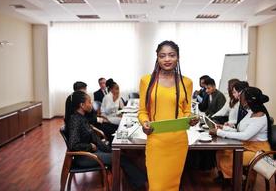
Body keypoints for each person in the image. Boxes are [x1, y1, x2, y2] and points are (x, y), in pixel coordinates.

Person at [138, 40, 194, 191]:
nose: (167, 59)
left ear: (178, 57)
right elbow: (142, 111)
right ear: (157, 58)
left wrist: (190, 119)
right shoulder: (146, 81)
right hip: (156, 141)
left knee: (173, 186)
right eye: (162, 56)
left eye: (171, 55)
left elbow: (187, 109)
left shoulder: (186, 82)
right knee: (156, 186)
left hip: (178, 142)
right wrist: (144, 123)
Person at [67, 91, 147, 190]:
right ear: (82, 105)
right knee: (120, 158)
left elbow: (92, 135)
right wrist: (90, 146)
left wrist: (106, 147)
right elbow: (73, 145)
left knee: (122, 154)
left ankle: (136, 184)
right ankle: (142, 185)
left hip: (92, 151)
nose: (91, 104)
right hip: (84, 157)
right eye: (89, 102)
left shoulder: (82, 117)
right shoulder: (75, 120)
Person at [210, 87, 272, 181]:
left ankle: (237, 182)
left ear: (248, 101)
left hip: (258, 150)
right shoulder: (250, 112)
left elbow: (245, 135)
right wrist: (224, 128)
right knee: (221, 152)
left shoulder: (260, 117)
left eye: (242, 97)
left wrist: (220, 132)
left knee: (232, 158)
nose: (239, 98)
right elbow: (240, 131)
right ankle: (228, 177)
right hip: (247, 145)